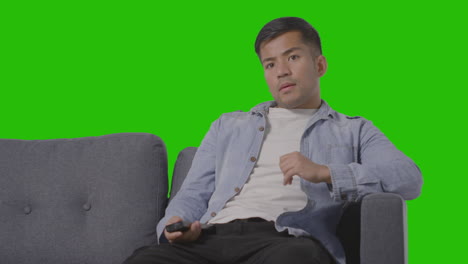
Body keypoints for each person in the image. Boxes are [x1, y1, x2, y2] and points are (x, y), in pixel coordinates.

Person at [123, 16, 423, 264]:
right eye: (270, 64)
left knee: (299, 259)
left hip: (285, 241)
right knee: (145, 260)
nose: (282, 72)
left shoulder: (353, 130)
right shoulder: (228, 125)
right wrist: (176, 224)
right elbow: (192, 194)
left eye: (292, 57)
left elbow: (408, 178)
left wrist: (326, 172)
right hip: (212, 239)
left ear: (319, 65)